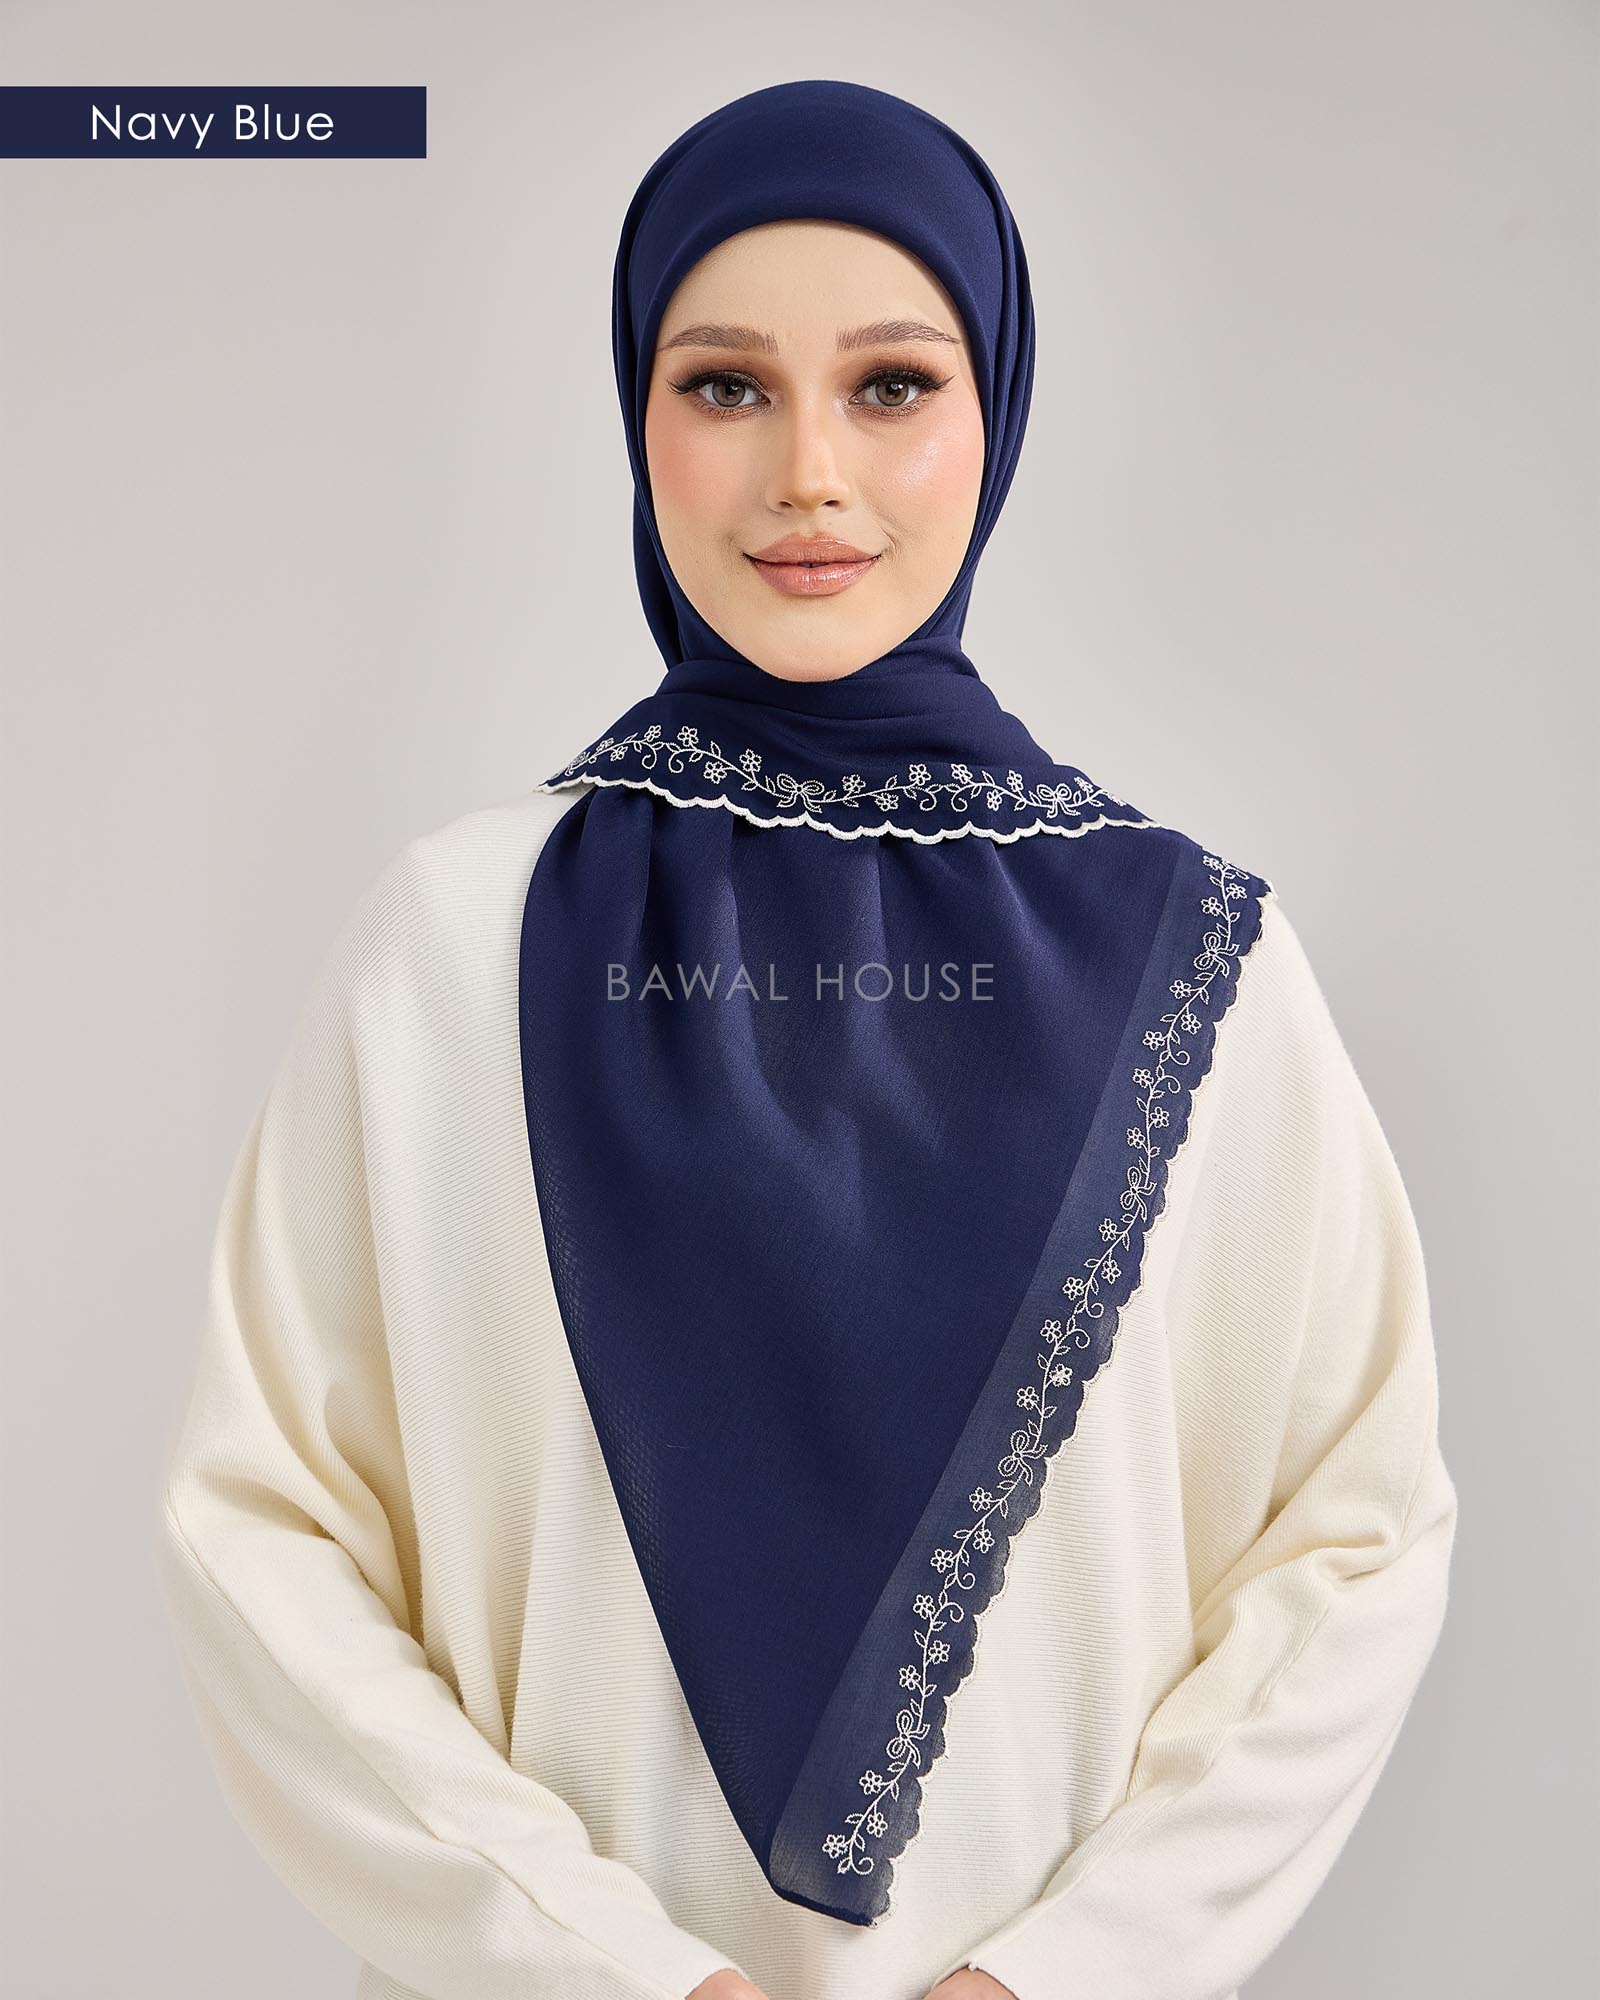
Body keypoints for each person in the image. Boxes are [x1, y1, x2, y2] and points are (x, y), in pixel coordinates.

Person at [155, 79, 1458, 2000]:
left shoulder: (1205, 963)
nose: (809, 476)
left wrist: (1059, 1978)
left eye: (893, 385)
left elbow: (1353, 1540)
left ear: (995, 415)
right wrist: (616, 1975)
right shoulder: (452, 944)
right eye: (726, 386)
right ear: (639, 418)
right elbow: (262, 1533)